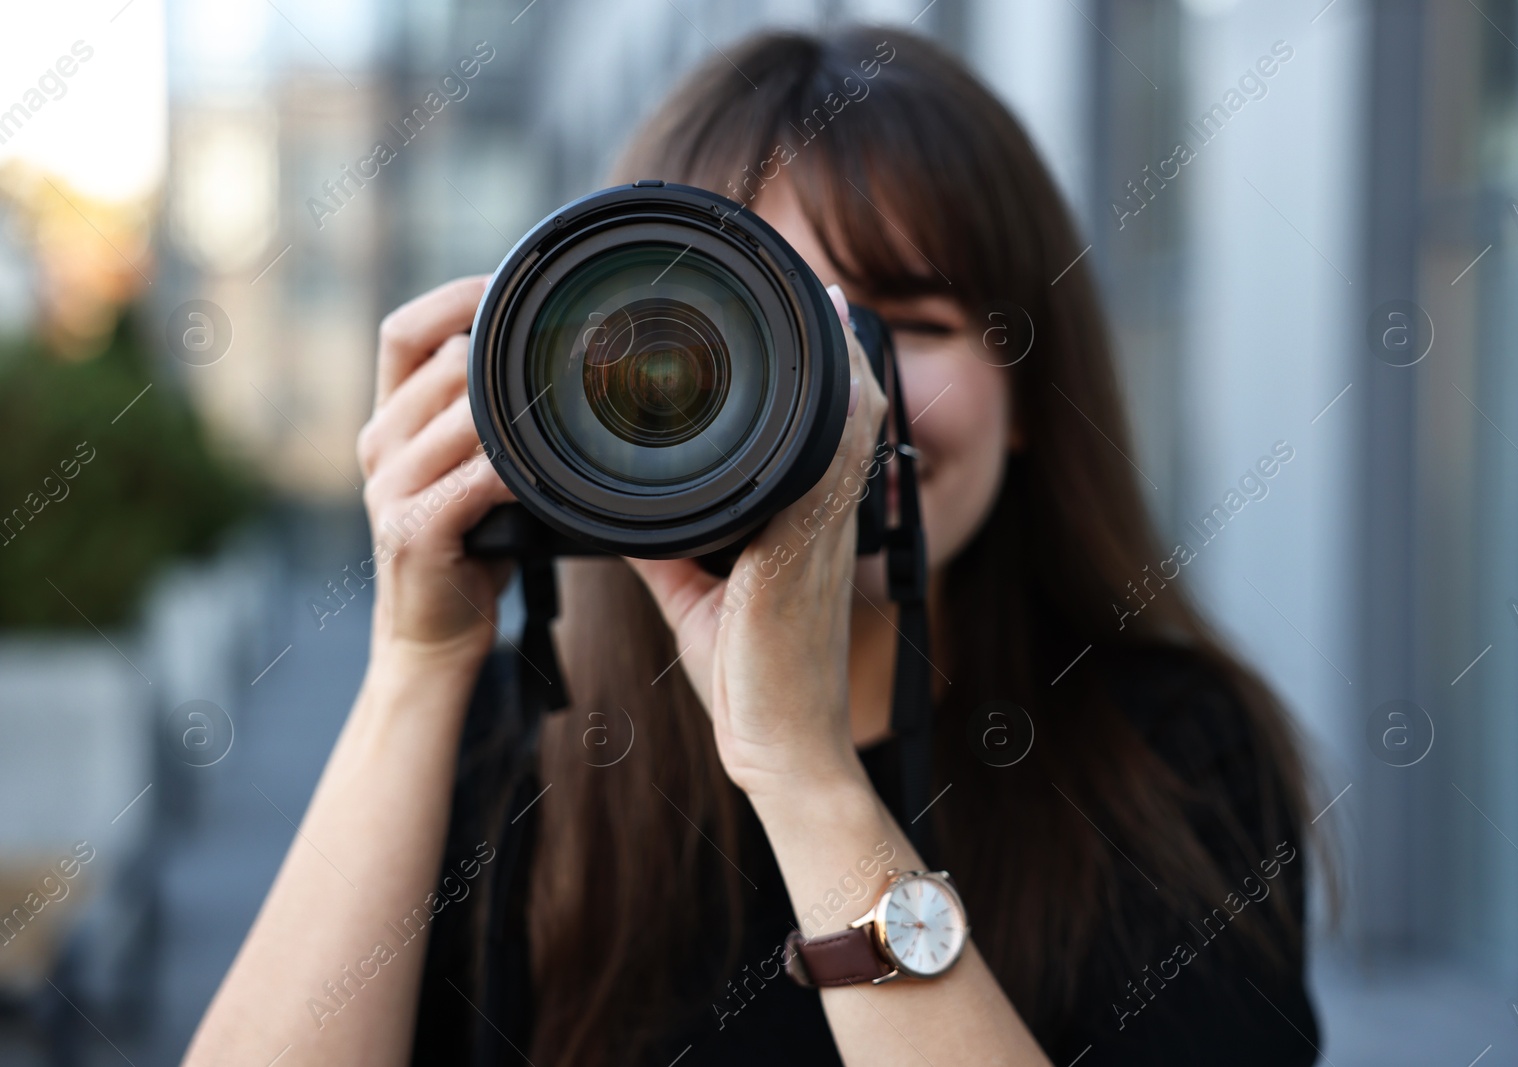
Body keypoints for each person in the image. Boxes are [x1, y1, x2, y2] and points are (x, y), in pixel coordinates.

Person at [184, 26, 1323, 1067]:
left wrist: (803, 766)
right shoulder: (507, 745)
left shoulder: (1167, 758)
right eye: (746, 330)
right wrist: (415, 665)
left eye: (903, 326)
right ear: (580, 393)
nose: (849, 401)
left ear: (1028, 388)